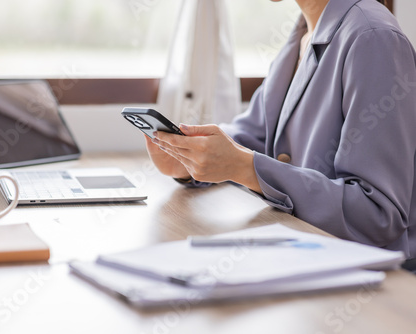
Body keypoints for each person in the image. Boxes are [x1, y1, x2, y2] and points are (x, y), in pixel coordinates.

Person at [145, 0, 416, 271]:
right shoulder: (303, 35)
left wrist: (244, 167)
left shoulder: (373, 38)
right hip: (307, 258)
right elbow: (253, 136)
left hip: (373, 285)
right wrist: (188, 158)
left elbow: (377, 214)